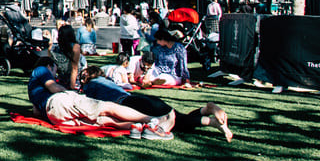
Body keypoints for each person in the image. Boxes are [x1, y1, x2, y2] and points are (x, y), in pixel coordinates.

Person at [26, 57, 173, 138]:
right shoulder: (41, 70)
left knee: (105, 121)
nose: (55, 74)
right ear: (49, 66)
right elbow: (54, 87)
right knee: (109, 108)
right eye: (55, 71)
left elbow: (36, 112)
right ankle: (152, 121)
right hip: (60, 101)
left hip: (54, 116)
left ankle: (138, 128)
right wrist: (72, 93)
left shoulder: (32, 90)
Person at [82, 66, 233, 142]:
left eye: (84, 75)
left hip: (130, 104)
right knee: (179, 119)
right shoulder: (106, 82)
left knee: (179, 122)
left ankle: (211, 118)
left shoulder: (91, 85)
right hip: (137, 99)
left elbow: (85, 101)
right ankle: (208, 112)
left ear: (89, 75)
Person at [50, 25, 86, 90]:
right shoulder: (56, 49)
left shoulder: (75, 47)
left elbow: (75, 68)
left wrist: (72, 87)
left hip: (76, 77)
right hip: (63, 77)